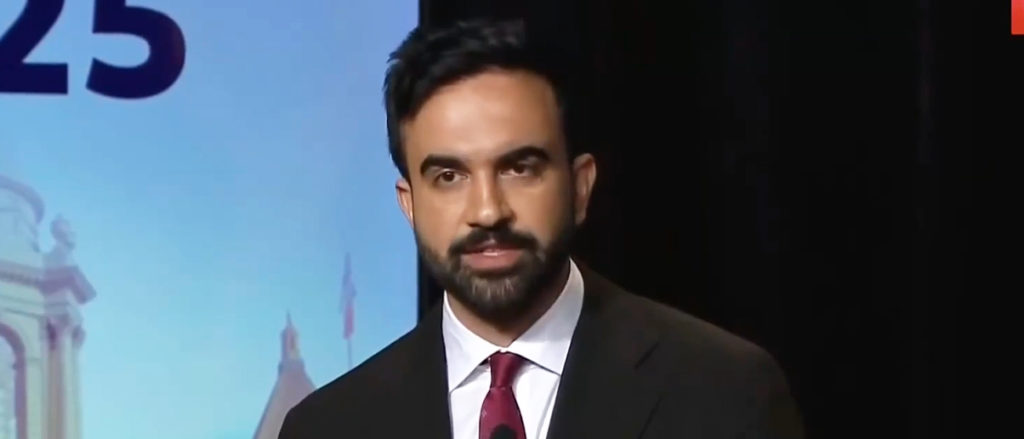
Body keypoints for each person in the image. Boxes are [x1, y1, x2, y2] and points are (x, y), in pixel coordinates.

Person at [278, 17, 804, 439]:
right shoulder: (329, 427)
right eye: (449, 176)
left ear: (580, 187)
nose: (488, 211)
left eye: (519, 168)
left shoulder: (724, 391)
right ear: (409, 204)